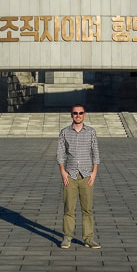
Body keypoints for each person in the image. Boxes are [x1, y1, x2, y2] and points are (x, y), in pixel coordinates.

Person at [56, 103, 100, 249]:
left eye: (80, 113)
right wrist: (62, 171)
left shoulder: (91, 132)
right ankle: (67, 237)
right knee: (69, 208)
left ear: (84, 115)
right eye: (75, 113)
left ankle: (88, 238)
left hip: (87, 175)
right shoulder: (64, 132)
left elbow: (96, 153)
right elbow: (60, 154)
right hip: (71, 175)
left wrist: (94, 173)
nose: (78, 115)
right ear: (71, 115)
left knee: (87, 209)